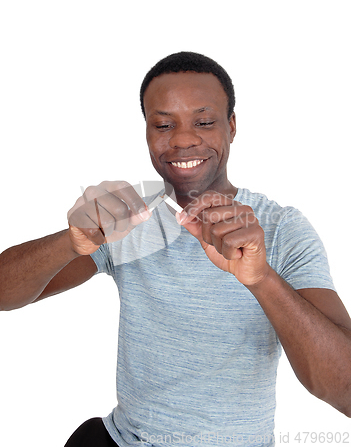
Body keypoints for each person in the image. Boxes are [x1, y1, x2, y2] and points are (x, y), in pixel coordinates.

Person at [1, 51, 351, 447]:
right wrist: (72, 242)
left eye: (203, 122)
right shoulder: (127, 218)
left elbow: (346, 390)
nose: (183, 139)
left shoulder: (281, 229)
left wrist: (261, 278)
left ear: (232, 127)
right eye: (163, 124)